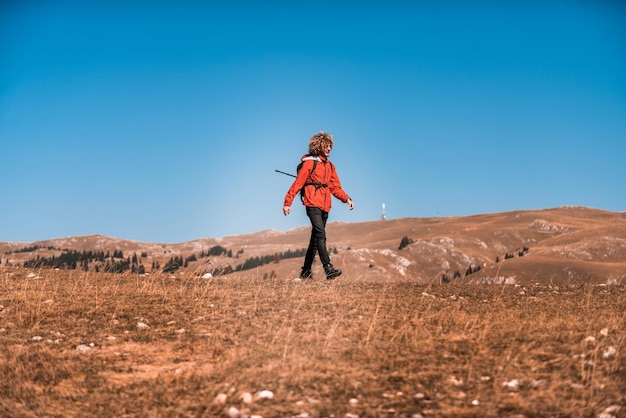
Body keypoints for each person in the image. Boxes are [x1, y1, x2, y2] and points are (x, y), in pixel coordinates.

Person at [283, 131, 354, 280]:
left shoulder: (331, 167)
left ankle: (306, 272)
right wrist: (287, 203)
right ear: (318, 146)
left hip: (325, 205)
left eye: (330, 146)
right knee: (321, 234)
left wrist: (346, 198)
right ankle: (328, 268)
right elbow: (298, 183)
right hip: (312, 202)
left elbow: (335, 187)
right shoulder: (310, 163)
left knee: (315, 239)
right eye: (326, 146)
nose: (329, 149)